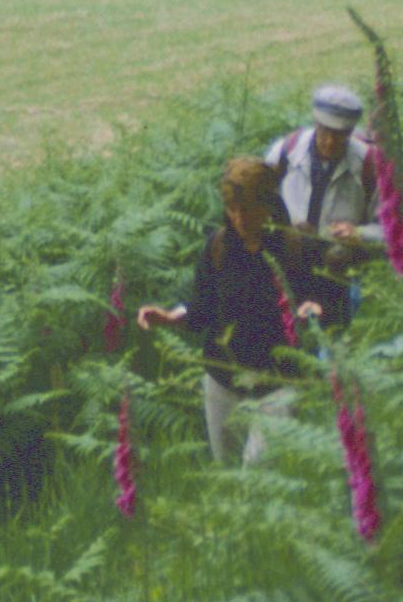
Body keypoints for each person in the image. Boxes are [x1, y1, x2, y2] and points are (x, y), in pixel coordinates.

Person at [137, 155, 350, 463]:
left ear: (267, 205)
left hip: (280, 382)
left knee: (258, 466)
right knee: (228, 472)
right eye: (232, 209)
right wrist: (170, 317)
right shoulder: (218, 248)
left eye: (248, 209)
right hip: (223, 381)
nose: (239, 218)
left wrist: (318, 307)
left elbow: (335, 295)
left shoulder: (296, 247)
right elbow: (202, 310)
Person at [264, 82, 384, 255]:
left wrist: (360, 233)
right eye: (324, 131)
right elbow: (259, 205)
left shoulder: (369, 165)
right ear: (315, 123)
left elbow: (390, 229)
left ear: (351, 131)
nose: (329, 141)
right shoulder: (285, 152)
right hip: (287, 255)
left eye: (339, 134)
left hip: (343, 262)